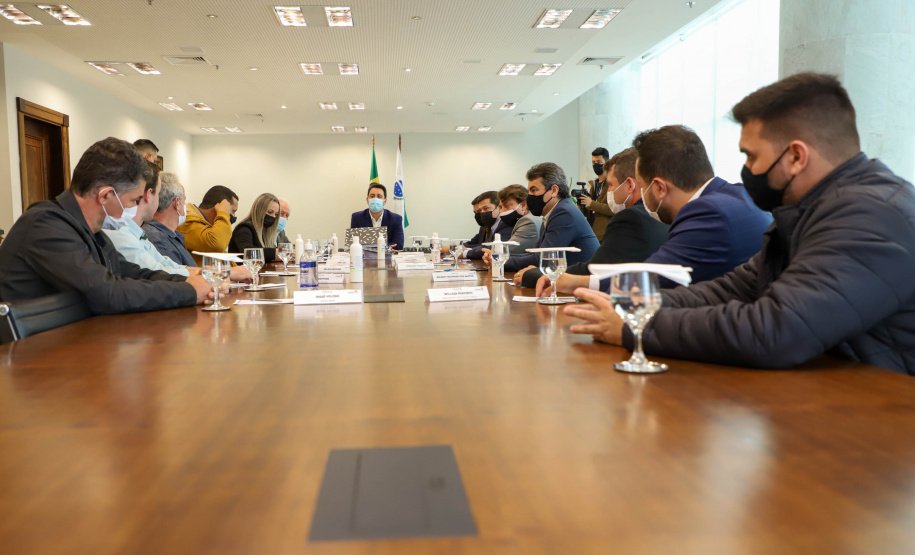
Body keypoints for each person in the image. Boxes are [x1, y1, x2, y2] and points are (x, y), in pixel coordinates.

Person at [565, 72, 915, 376]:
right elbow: (731, 289)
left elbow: (777, 330)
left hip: (881, 412)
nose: (747, 170)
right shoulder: (810, 211)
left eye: (751, 156)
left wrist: (636, 326)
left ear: (796, 156)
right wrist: (635, 308)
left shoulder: (870, 215)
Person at [0, 137, 216, 313]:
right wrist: (189, 292)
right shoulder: (46, 225)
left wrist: (190, 281)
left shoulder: (93, 233)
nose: (135, 208)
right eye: (134, 200)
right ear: (105, 196)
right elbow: (106, 293)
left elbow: (134, 273)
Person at [593, 125, 772, 291]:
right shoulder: (741, 194)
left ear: (659, 188)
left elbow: (646, 283)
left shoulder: (706, 215)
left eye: (642, 185)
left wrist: (588, 287)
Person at [529, 147, 669, 292]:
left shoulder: (631, 217)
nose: (609, 192)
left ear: (629, 185)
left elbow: (595, 270)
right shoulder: (661, 214)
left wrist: (535, 275)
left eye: (611, 185)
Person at [485, 162, 599, 277]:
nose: (529, 196)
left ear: (554, 191)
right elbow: (535, 254)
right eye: (529, 191)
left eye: (534, 190)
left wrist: (500, 261)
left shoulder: (564, 213)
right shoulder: (554, 211)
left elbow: (543, 259)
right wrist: (500, 258)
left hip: (583, 282)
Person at [104, 161, 191, 276]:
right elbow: (156, 273)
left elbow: (164, 263)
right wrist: (201, 275)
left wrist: (201, 272)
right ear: (148, 195)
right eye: (158, 193)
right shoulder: (120, 232)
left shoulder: (137, 231)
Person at [461, 186, 533, 259]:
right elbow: (480, 245)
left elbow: (502, 250)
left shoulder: (521, 222)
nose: (501, 211)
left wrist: (464, 252)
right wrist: (461, 249)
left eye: (506, 206)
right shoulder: (486, 227)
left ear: (523, 205)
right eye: (501, 207)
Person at [143, 172, 198, 267]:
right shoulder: (158, 239)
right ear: (177, 204)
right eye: (184, 201)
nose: (186, 205)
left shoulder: (167, 234)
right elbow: (178, 274)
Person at [179, 185, 238, 266]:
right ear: (218, 207)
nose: (233, 216)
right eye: (232, 211)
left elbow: (221, 253)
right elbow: (217, 245)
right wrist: (223, 214)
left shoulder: (208, 225)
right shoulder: (187, 221)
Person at [350, 183, 404, 250]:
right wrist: (385, 246)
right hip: (364, 257)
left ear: (385, 201)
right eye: (372, 196)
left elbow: (398, 246)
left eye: (379, 196)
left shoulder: (396, 219)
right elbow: (354, 244)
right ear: (367, 200)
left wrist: (369, 246)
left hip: (387, 256)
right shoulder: (357, 217)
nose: (375, 199)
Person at [230, 193, 281, 261]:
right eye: (270, 212)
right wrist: (274, 252)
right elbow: (248, 251)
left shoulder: (265, 231)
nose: (273, 217)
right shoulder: (244, 228)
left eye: (276, 214)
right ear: (259, 210)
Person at [579, 147, 614, 241]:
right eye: (593, 162)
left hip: (605, 235)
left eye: (599, 162)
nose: (595, 165)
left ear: (607, 162)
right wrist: (582, 206)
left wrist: (591, 203)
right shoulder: (594, 184)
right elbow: (592, 211)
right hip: (592, 233)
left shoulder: (612, 184)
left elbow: (612, 209)